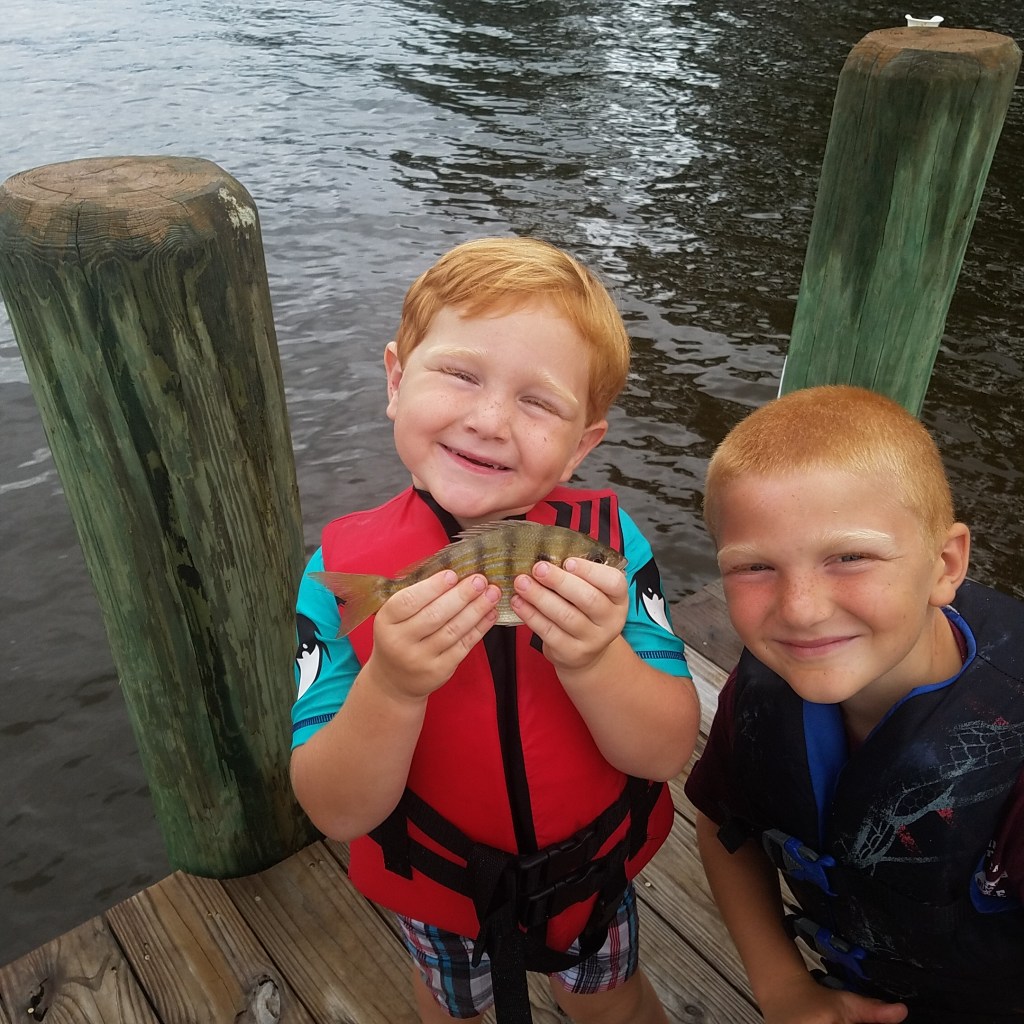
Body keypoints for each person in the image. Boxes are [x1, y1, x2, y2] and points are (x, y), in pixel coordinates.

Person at [290, 236, 701, 1024]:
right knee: (452, 1011)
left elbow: (662, 753)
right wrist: (392, 686)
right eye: (460, 374)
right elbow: (336, 812)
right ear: (396, 380)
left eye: (539, 402)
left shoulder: (609, 552)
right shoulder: (339, 579)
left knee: (613, 1005)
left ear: (582, 444)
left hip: (590, 877)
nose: (488, 420)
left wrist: (596, 658)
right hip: (441, 886)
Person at [684, 385, 1024, 1024]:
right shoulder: (762, 687)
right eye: (754, 567)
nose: (801, 610)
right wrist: (780, 985)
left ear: (945, 564)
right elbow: (724, 824)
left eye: (850, 557)